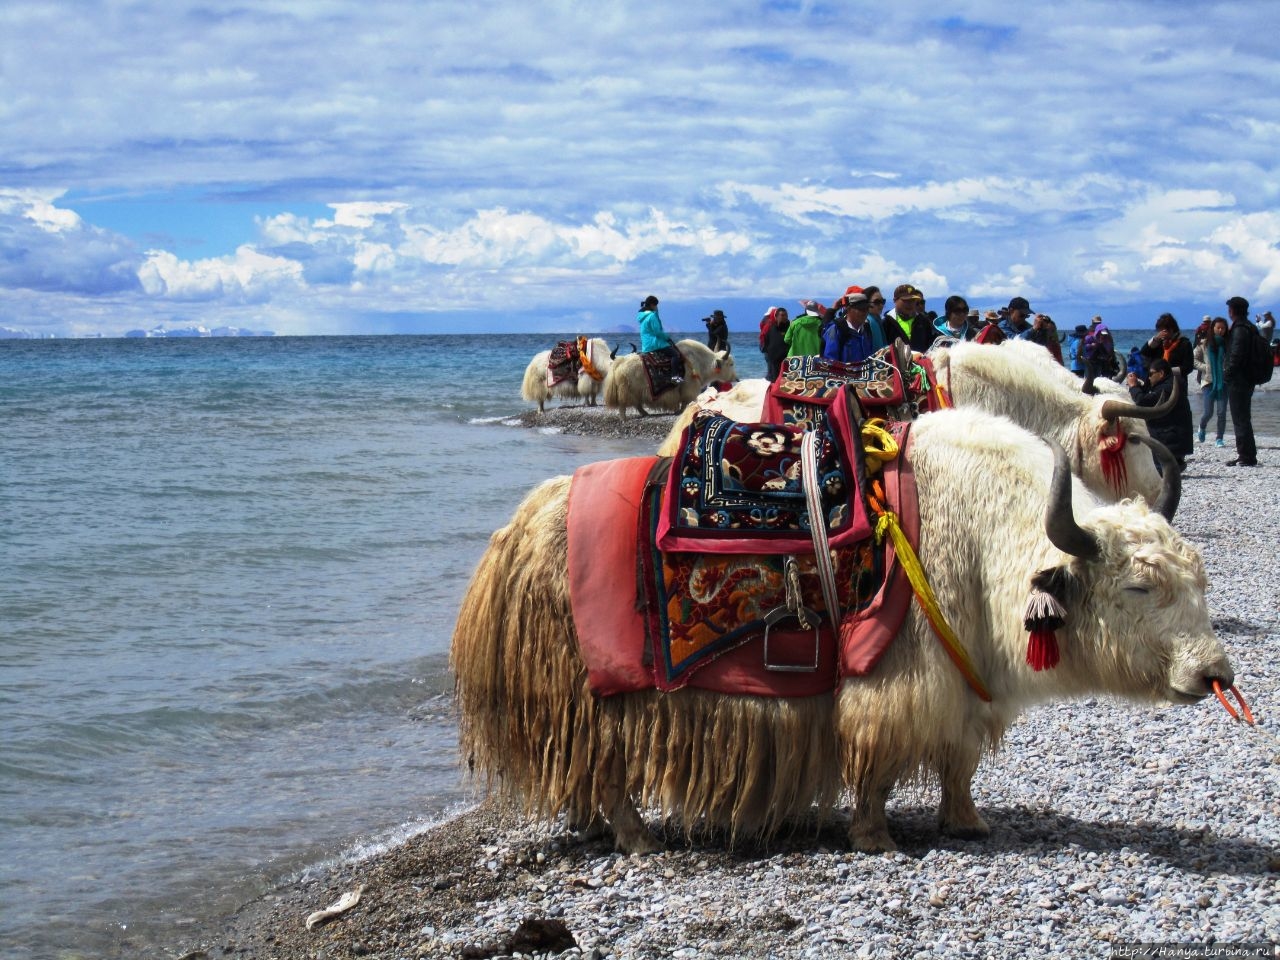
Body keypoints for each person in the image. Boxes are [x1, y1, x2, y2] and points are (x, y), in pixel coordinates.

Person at [1126, 357, 1192, 471]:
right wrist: (1139, 386)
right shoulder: (1171, 383)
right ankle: (1175, 463)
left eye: (1151, 374)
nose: (1149, 377)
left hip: (1171, 440)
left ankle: (1166, 465)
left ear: (1161, 373)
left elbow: (1142, 401)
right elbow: (1150, 396)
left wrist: (1133, 387)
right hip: (1176, 439)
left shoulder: (1167, 388)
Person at [1224, 295, 1258, 466]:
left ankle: (1246, 456)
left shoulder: (1239, 329)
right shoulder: (1250, 327)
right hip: (1248, 378)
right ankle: (1247, 453)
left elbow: (1236, 356)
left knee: (1240, 417)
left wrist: (1227, 375)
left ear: (1232, 311)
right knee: (1243, 416)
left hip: (1239, 380)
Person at [1193, 316, 1229, 447]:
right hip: (1208, 381)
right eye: (1218, 327)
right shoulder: (1204, 344)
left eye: (1223, 328)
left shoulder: (1228, 344)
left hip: (1224, 382)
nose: (1220, 330)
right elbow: (1193, 359)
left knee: (1222, 411)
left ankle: (1219, 438)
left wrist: (1227, 370)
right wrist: (1205, 367)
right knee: (1208, 412)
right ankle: (1202, 427)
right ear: (1213, 328)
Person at [637, 294, 684, 380]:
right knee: (675, 355)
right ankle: (674, 376)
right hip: (654, 343)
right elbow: (657, 332)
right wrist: (667, 338)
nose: (657, 307)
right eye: (656, 305)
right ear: (652, 305)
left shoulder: (642, 316)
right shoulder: (652, 316)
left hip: (646, 345)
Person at [881, 283, 939, 352]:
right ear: (895, 300)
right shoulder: (886, 323)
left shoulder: (924, 321)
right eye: (906, 300)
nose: (910, 304)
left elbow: (933, 343)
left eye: (913, 300)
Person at [822, 291, 877, 363]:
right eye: (861, 309)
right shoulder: (836, 330)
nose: (865, 312)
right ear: (848, 309)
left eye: (867, 309)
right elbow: (830, 362)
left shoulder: (866, 330)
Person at [760, 306, 790, 381]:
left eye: (786, 315)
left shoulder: (790, 327)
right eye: (782, 315)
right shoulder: (770, 327)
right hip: (773, 358)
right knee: (774, 380)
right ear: (776, 316)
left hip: (786, 358)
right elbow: (764, 339)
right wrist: (768, 351)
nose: (784, 317)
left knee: (785, 380)